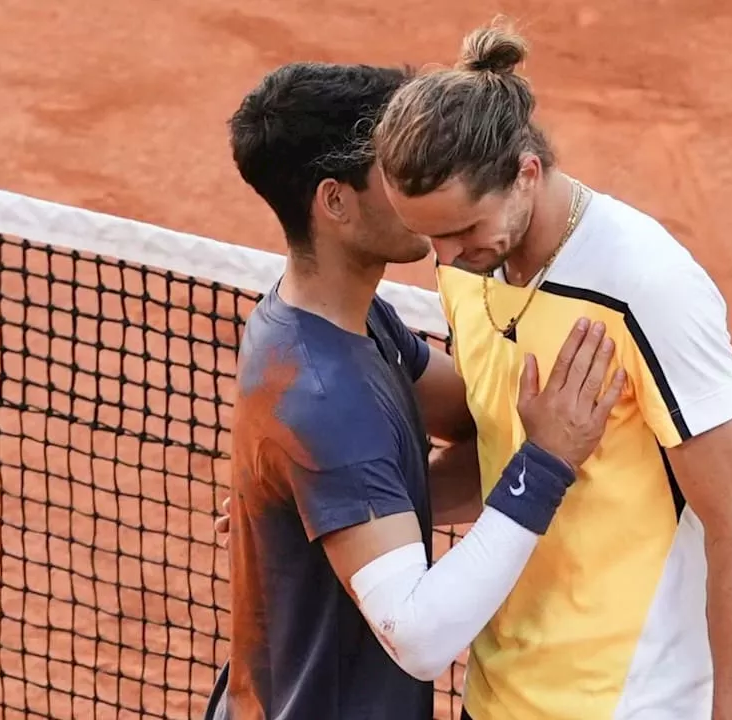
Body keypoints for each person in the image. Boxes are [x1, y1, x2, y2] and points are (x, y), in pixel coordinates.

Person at [368, 21, 732, 720]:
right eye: (430, 235)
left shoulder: (644, 286)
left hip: (632, 701)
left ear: (527, 171)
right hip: (499, 696)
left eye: (463, 230)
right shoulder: (469, 267)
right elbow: (497, 459)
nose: (446, 253)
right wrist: (341, 516)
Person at [208, 60, 627, 720]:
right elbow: (421, 637)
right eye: (393, 163)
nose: (419, 173)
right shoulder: (323, 398)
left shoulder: (344, 321)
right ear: (335, 202)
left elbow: (472, 419)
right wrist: (545, 468)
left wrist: (307, 511)